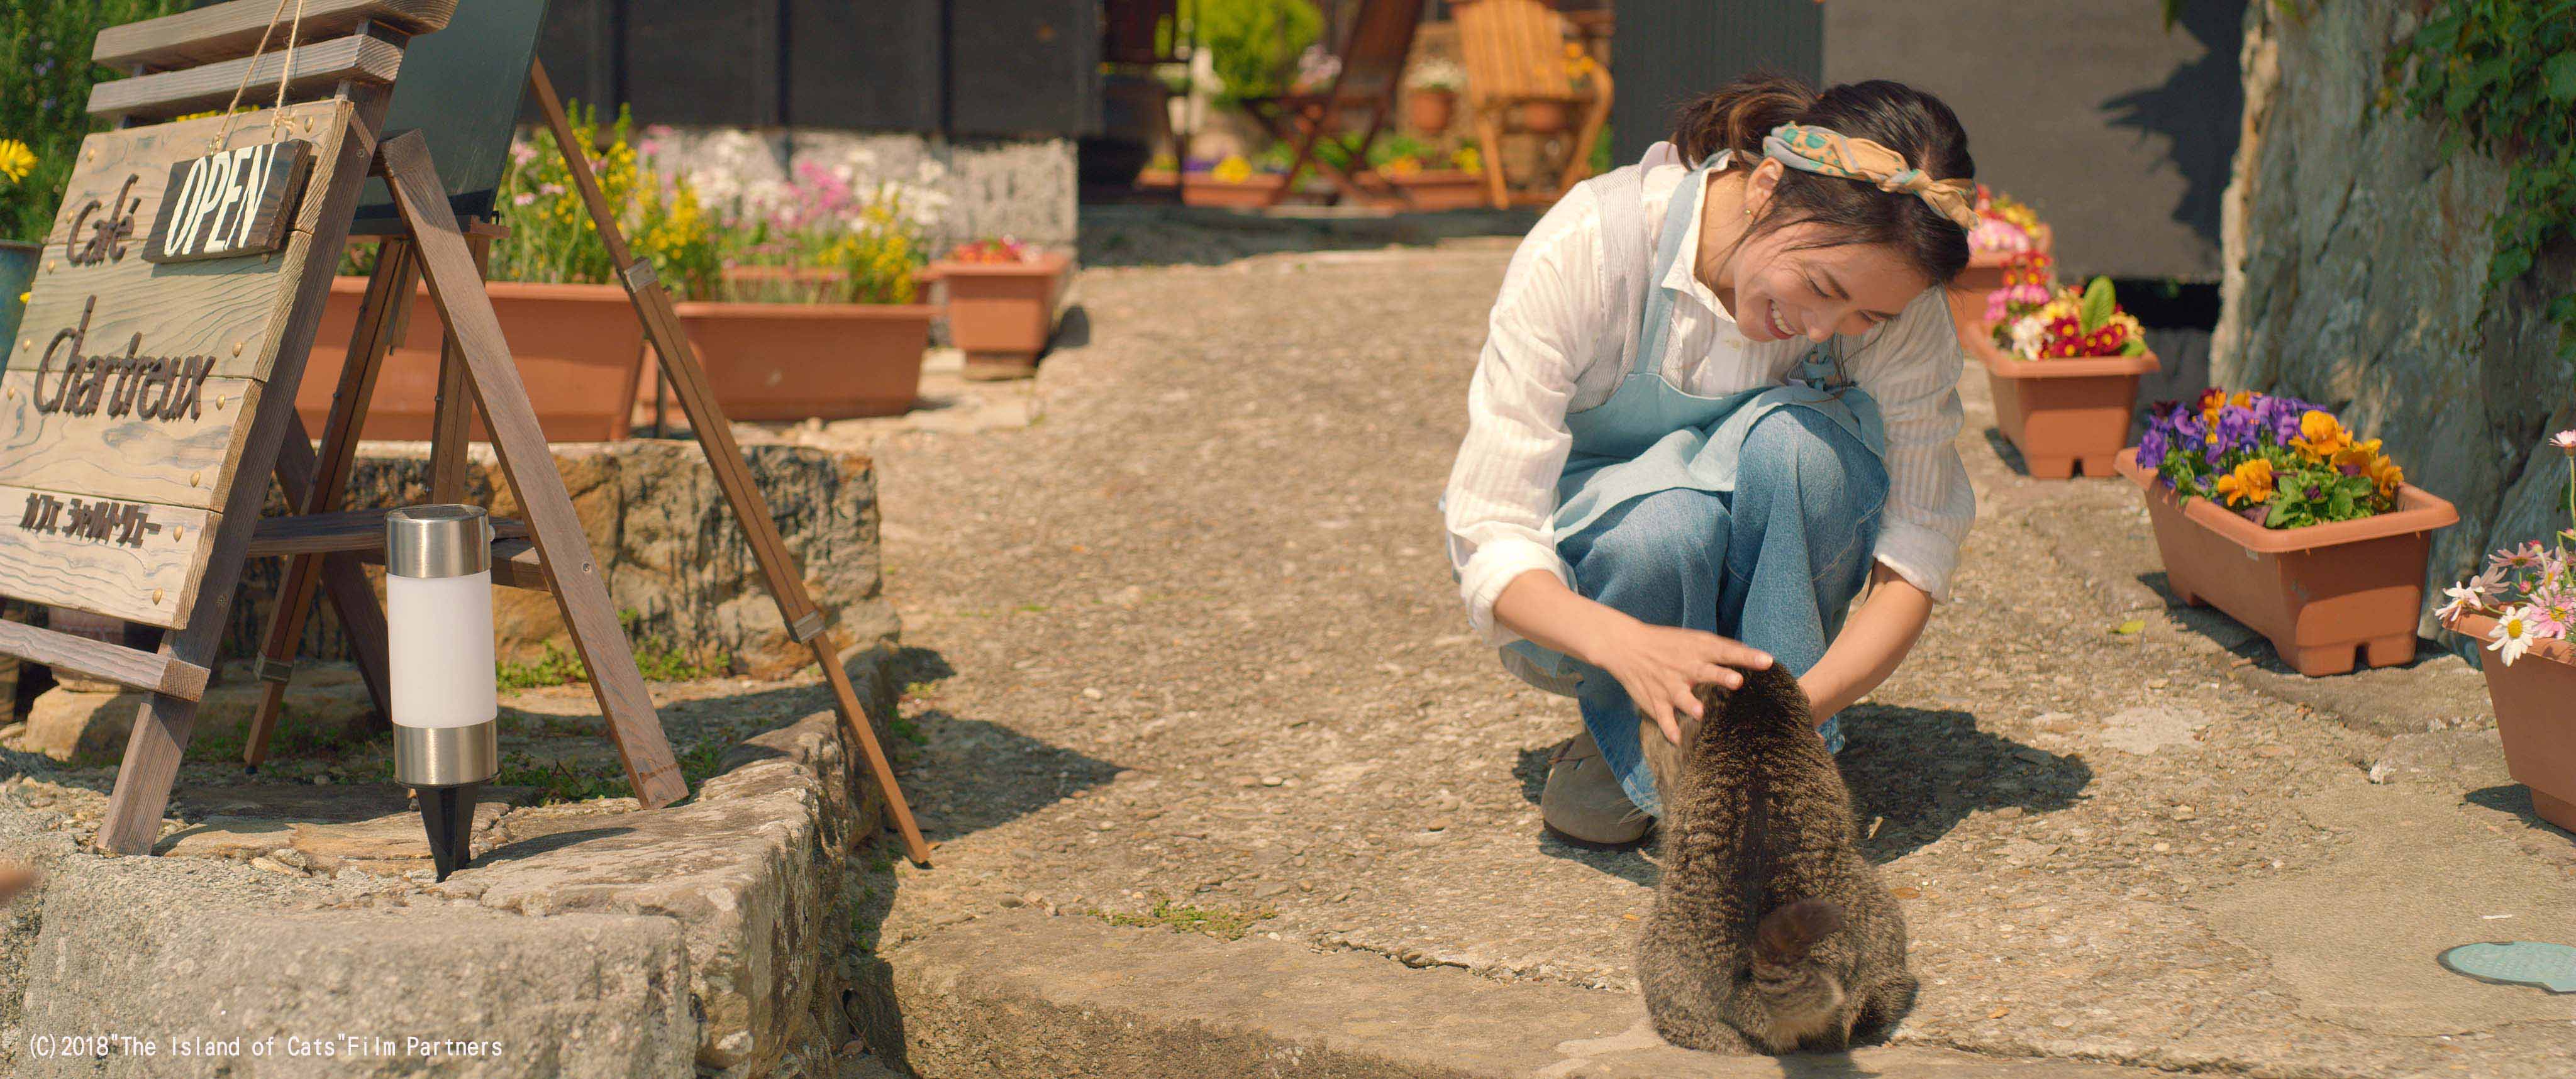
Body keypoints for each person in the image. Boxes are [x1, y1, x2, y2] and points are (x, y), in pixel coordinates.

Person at [1441, 73, 1979, 845]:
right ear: (1766, 187)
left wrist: (1787, 718)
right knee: (1666, 526)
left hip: (1777, 608)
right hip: (1612, 582)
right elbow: (1490, 529)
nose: (1823, 329)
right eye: (1819, 285)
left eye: (1863, 314)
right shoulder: (1592, 246)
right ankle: (1636, 728)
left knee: (1802, 447)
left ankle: (1775, 764)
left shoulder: (1898, 297)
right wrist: (1623, 645)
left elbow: (1917, 549)